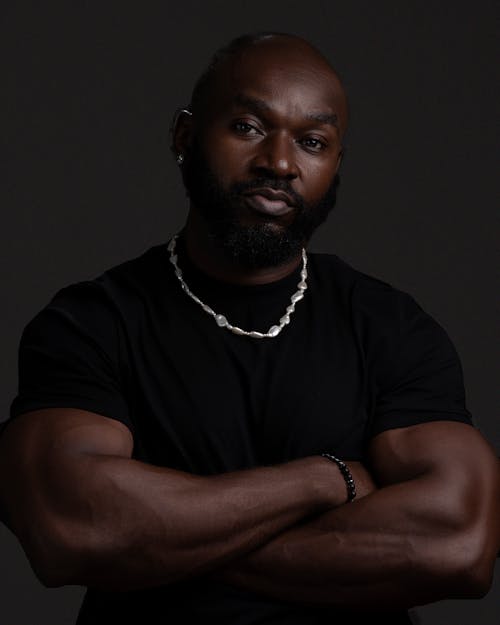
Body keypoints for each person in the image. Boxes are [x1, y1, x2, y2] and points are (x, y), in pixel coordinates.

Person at [0, 32, 498, 625]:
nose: (279, 164)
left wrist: (162, 545)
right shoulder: (91, 322)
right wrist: (324, 479)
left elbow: (459, 545)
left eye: (312, 142)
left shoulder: (391, 327)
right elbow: (74, 529)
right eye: (247, 127)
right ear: (186, 136)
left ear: (335, 164)